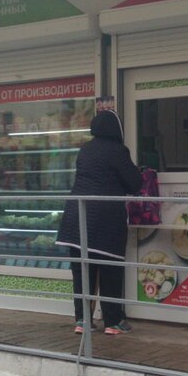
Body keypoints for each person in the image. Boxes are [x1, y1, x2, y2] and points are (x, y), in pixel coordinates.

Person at [56, 109, 142, 335]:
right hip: (105, 219)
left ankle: (83, 321)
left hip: (76, 216)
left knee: (82, 272)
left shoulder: (85, 149)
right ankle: (113, 322)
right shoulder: (118, 151)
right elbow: (134, 183)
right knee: (109, 271)